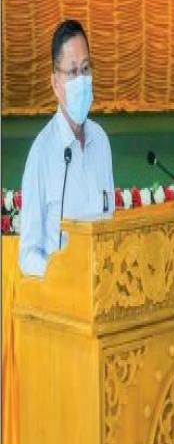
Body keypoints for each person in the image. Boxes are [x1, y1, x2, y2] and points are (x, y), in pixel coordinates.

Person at [20, 20, 115, 277]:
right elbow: (27, 255)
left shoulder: (101, 141)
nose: (81, 80)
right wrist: (61, 274)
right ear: (55, 83)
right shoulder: (41, 154)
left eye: (85, 69)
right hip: (63, 292)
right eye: (72, 73)